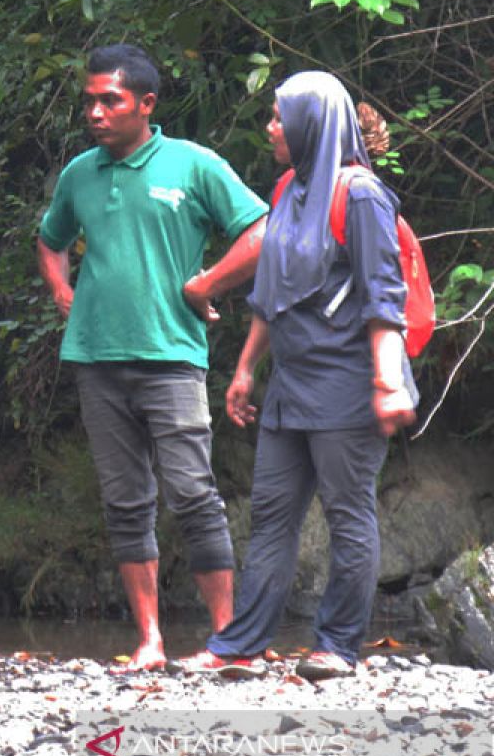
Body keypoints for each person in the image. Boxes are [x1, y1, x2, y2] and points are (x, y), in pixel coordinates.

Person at [171, 71, 417, 681]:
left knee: (347, 514)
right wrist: (246, 369)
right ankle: (240, 645)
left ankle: (336, 646)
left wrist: (388, 382)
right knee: (273, 516)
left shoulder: (359, 196)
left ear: (312, 123)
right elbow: (273, 291)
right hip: (290, 385)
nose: (271, 127)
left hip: (348, 385)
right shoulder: (288, 187)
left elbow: (384, 296)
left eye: (280, 116)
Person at [36, 44, 269, 672]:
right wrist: (61, 288)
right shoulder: (79, 173)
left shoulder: (193, 165)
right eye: (88, 100)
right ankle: (150, 641)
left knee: (193, 493)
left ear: (146, 103)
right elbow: (51, 237)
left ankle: (229, 641)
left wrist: (206, 284)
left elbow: (260, 230)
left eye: (108, 100)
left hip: (172, 357)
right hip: (96, 358)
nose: (95, 111)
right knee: (125, 501)